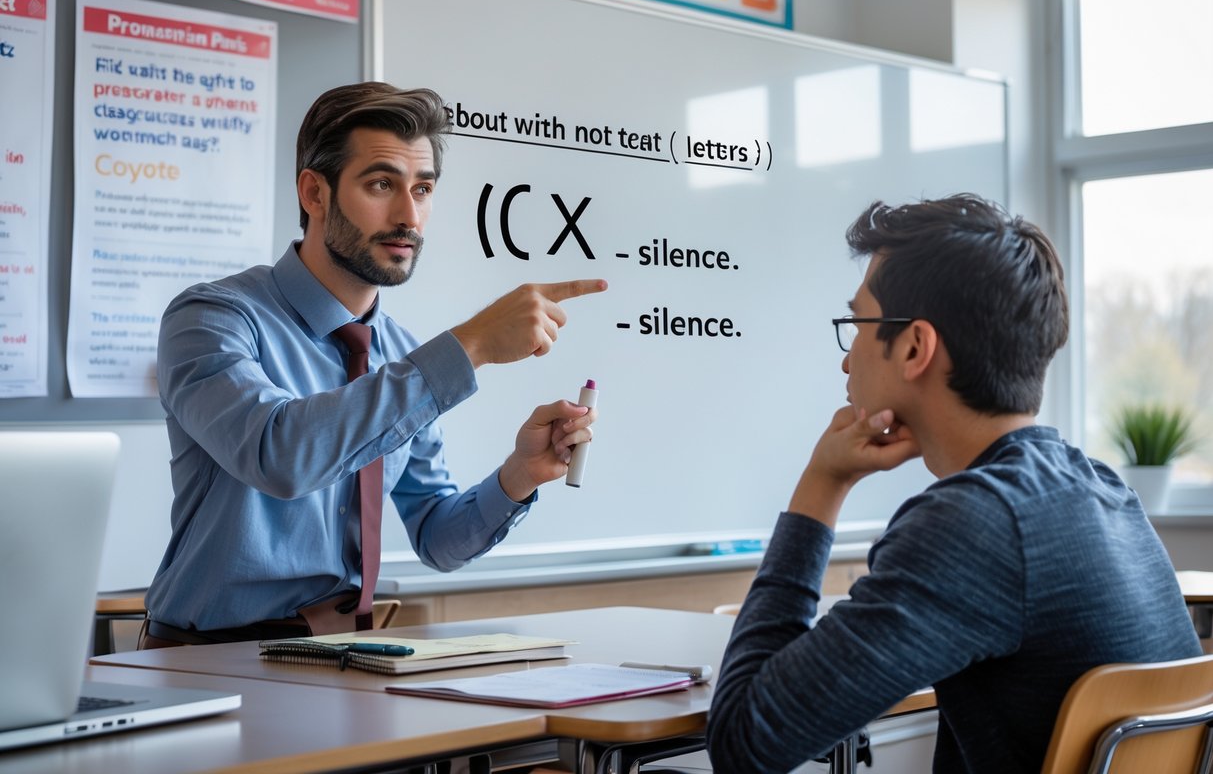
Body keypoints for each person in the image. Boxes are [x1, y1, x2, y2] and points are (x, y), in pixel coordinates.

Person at [706, 194, 1201, 772]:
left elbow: (746, 744)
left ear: (915, 346)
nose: (847, 361)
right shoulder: (1104, 492)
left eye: (858, 325)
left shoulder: (976, 523)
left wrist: (822, 483)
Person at [141, 83, 606, 646]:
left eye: (424, 188)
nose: (409, 215)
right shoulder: (211, 319)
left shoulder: (404, 359)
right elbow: (279, 454)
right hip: (213, 658)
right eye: (382, 184)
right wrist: (473, 344)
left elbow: (436, 536)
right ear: (314, 193)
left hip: (349, 655)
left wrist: (519, 475)